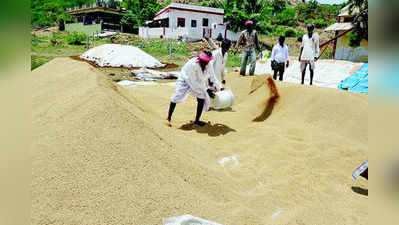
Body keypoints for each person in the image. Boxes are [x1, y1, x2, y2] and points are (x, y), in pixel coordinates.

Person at [167, 51, 223, 126]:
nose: (206, 64)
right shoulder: (192, 64)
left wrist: (220, 87)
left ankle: (197, 120)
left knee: (201, 98)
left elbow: (213, 77)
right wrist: (206, 89)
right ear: (200, 60)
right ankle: (169, 117)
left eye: (207, 62)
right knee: (176, 96)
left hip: (198, 81)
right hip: (185, 79)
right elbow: (193, 81)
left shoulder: (208, 64)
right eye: (204, 62)